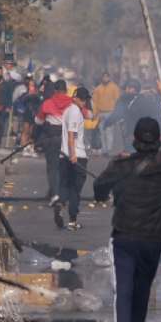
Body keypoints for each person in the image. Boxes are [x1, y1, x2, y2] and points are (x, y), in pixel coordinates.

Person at [93, 81, 161, 322]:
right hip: (153, 239)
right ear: (157, 139)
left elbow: (99, 186)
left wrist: (105, 195)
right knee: (141, 292)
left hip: (125, 237)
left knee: (124, 292)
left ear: (133, 139)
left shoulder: (121, 165)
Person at [57, 87, 91, 230]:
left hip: (64, 155)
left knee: (65, 185)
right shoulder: (75, 112)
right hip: (76, 156)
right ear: (76, 98)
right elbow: (71, 136)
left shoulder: (67, 110)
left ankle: (60, 205)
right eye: (82, 99)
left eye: (85, 99)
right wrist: (73, 155)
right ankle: (72, 221)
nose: (84, 102)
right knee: (75, 190)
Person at [36, 79, 73, 205]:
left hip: (52, 138)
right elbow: (87, 115)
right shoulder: (72, 103)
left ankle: (55, 195)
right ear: (66, 90)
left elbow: (38, 121)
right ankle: (62, 193)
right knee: (65, 167)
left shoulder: (47, 103)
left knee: (53, 167)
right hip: (69, 139)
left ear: (55, 90)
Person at [92, 72, 121, 154]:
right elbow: (95, 103)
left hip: (110, 112)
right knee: (102, 132)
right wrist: (95, 114)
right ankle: (104, 150)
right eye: (103, 77)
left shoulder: (114, 87)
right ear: (102, 78)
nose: (105, 78)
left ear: (109, 77)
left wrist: (116, 113)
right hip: (100, 113)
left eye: (106, 77)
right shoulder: (98, 89)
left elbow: (117, 101)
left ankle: (109, 149)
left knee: (109, 132)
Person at [13, 79, 42, 156]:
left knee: (32, 133)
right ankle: (24, 148)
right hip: (26, 114)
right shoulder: (25, 95)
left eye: (32, 85)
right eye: (30, 85)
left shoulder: (37, 96)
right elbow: (20, 104)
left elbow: (40, 105)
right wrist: (20, 111)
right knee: (25, 131)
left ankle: (30, 148)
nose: (31, 87)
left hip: (34, 115)